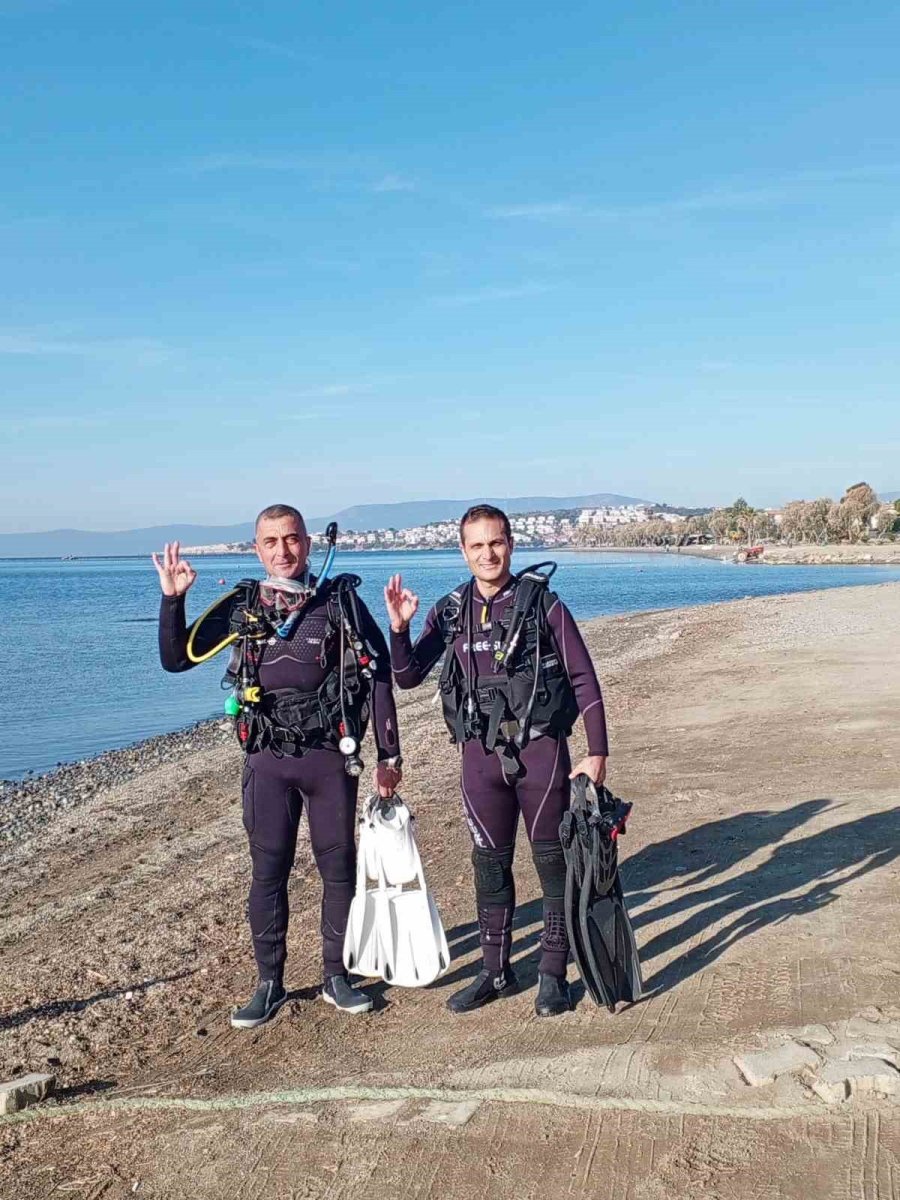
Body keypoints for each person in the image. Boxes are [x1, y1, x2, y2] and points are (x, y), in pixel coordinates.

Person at [154, 504, 402, 1028]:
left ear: (308, 544)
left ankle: (336, 976)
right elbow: (176, 659)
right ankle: (269, 983)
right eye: (271, 541)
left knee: (338, 868)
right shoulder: (245, 605)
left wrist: (389, 755)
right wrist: (173, 600)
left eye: (292, 539)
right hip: (267, 759)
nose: (283, 550)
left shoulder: (339, 601)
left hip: (328, 757)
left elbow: (379, 674)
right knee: (268, 872)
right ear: (257, 548)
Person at [385, 504, 608, 1017]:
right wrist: (399, 629)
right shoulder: (451, 610)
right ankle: (494, 970)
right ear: (463, 551)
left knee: (552, 865)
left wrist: (597, 752)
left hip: (541, 752)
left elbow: (583, 677)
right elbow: (407, 676)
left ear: (510, 544)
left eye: (497, 543)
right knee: (489, 864)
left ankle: (553, 973)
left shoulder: (543, 604)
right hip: (479, 758)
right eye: (477, 545)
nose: (488, 554)